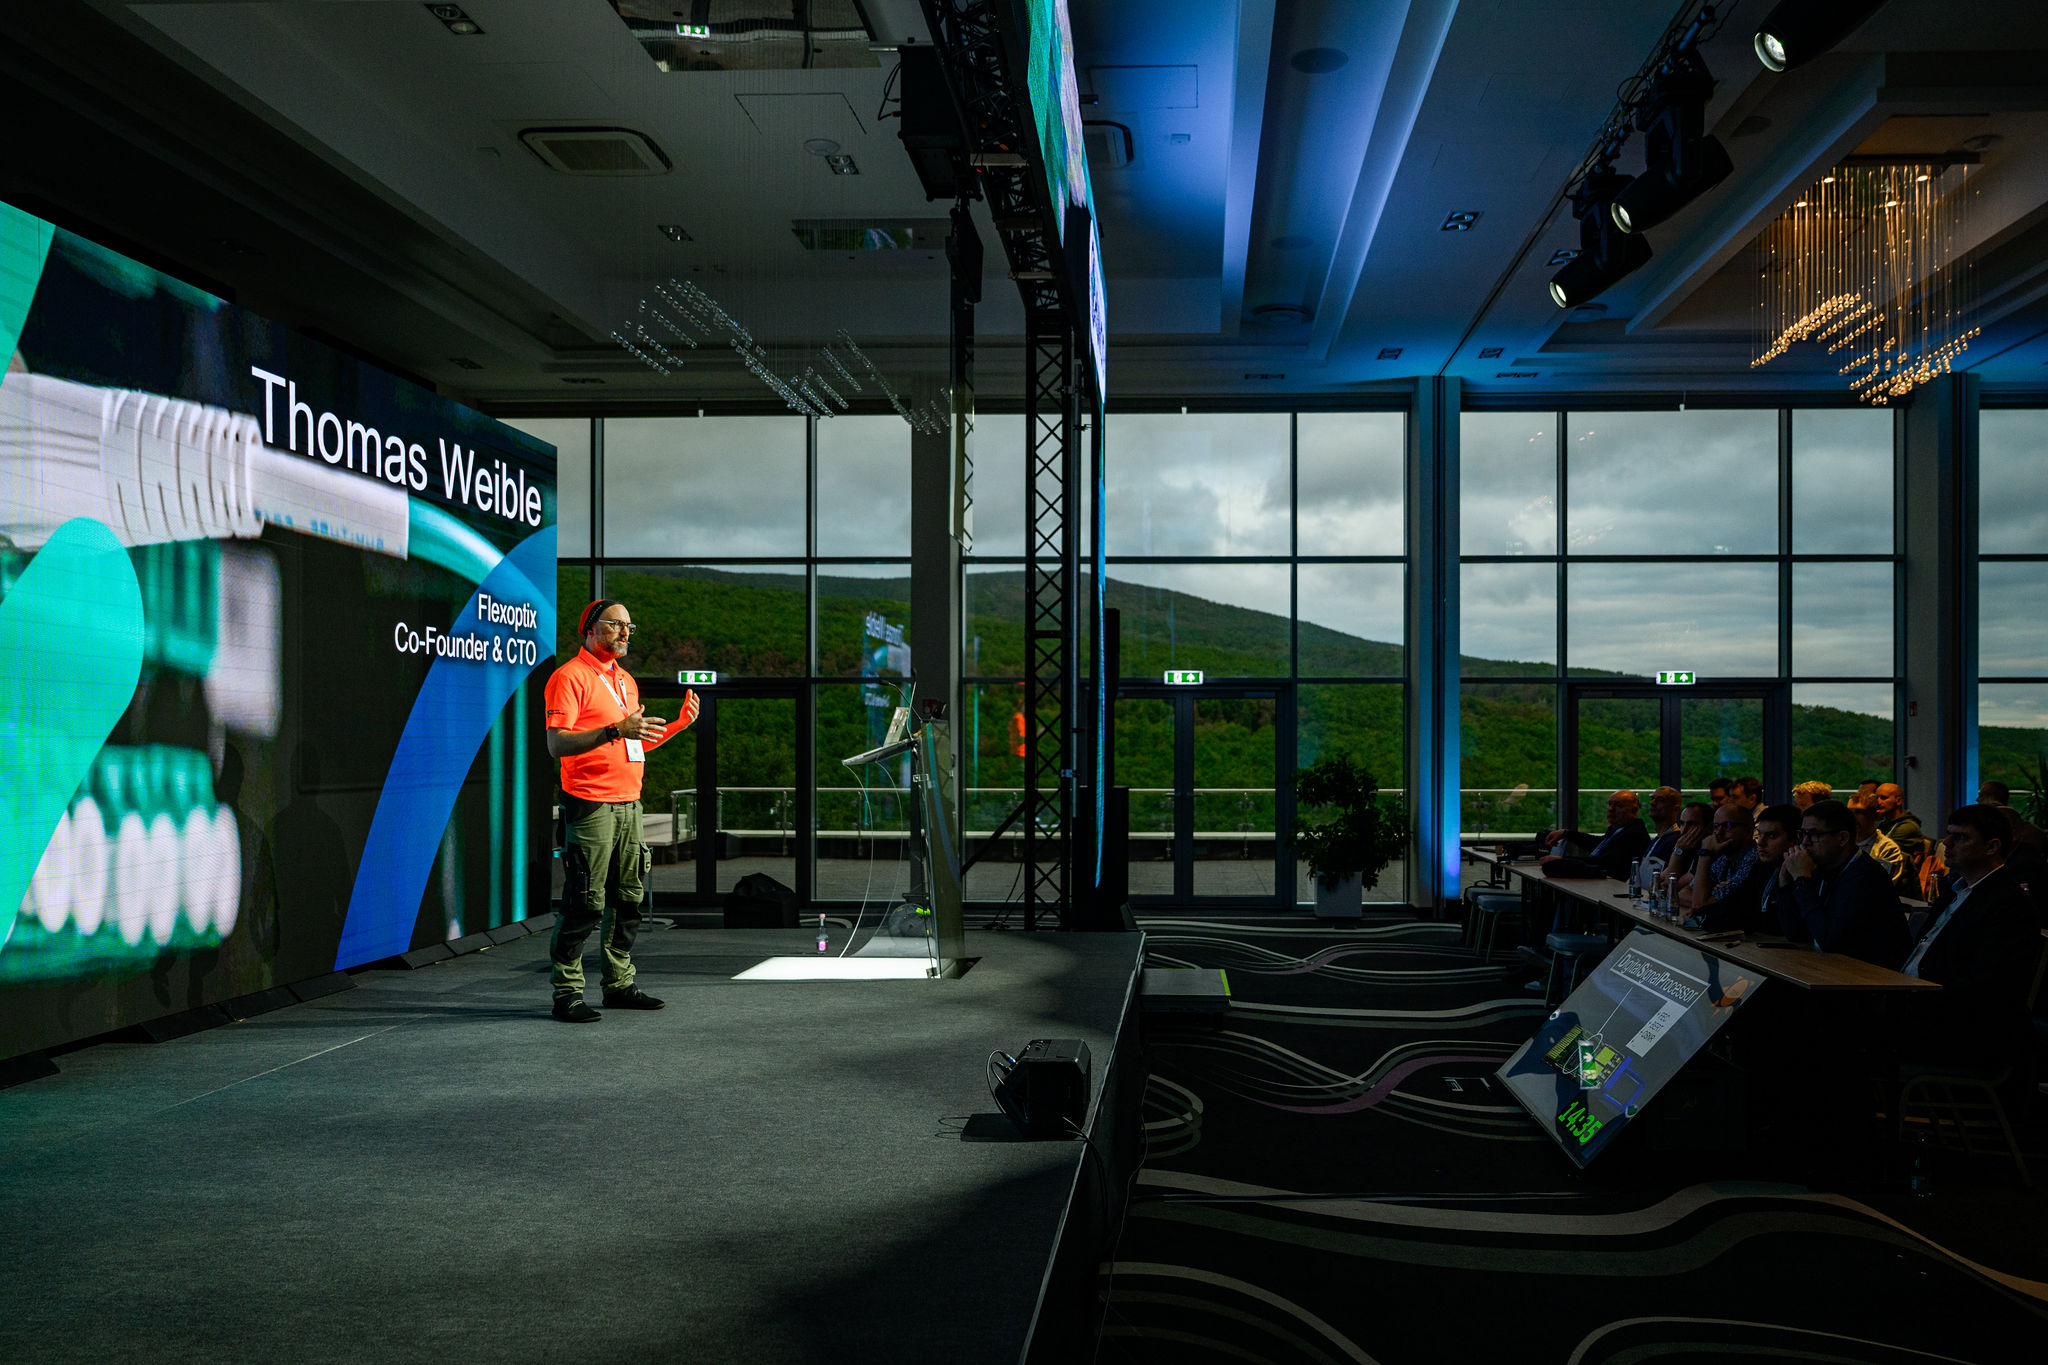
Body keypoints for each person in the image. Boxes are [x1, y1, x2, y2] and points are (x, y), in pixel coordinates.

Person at [542, 599, 700, 1023]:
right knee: (585, 902)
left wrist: (678, 725)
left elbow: (634, 743)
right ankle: (567, 993)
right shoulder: (569, 677)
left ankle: (618, 985)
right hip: (590, 803)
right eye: (615, 624)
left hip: (630, 804)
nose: (625, 632)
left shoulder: (625, 681)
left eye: (629, 626)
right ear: (590, 629)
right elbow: (557, 744)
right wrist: (615, 728)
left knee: (628, 900)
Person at [1900, 805, 2044, 1072]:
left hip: (1958, 1030)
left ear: (1992, 847)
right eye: (1948, 834)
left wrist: (1913, 999)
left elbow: (1987, 990)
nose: (1946, 843)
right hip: (1918, 1008)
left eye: (1961, 837)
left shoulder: (2008, 905)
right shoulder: (1955, 890)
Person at [1778, 799, 1910, 970]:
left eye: (1814, 834)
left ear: (1842, 838)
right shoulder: (1822, 867)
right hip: (1837, 969)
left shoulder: (1865, 876)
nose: (1804, 842)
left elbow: (1830, 941)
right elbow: (1795, 933)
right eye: (1802, 834)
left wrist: (1802, 880)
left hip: (1872, 976)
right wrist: (1785, 882)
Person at [1698, 802, 1798, 933]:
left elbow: (1792, 930)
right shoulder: (1763, 867)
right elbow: (1715, 911)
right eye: (1760, 834)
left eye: (1771, 836)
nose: (1761, 843)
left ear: (1795, 839)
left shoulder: (1803, 873)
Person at [1540, 790, 1649, 879]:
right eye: (1610, 804)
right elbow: (1597, 843)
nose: (1610, 809)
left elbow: (1603, 862)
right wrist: (1566, 833)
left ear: (1634, 810)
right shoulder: (1618, 829)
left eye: (1618, 806)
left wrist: (1562, 861)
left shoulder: (1634, 835)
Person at [1680, 804, 1754, 917]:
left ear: (1748, 832)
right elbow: (1683, 893)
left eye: (1727, 826)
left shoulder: (1753, 860)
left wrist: (1705, 854)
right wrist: (1708, 900)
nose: (1718, 832)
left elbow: (1700, 906)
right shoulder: (1723, 858)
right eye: (1716, 826)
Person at [1845, 791, 1910, 889]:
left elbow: (1880, 889)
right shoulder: (1841, 844)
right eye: (1849, 812)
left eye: (1859, 812)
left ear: (1876, 816)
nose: (1852, 818)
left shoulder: (1887, 849)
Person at [1873, 782, 1930, 865]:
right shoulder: (1885, 823)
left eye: (1883, 798)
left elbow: (1881, 853)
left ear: (1898, 801)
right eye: (1876, 798)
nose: (1878, 802)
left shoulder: (1907, 827)